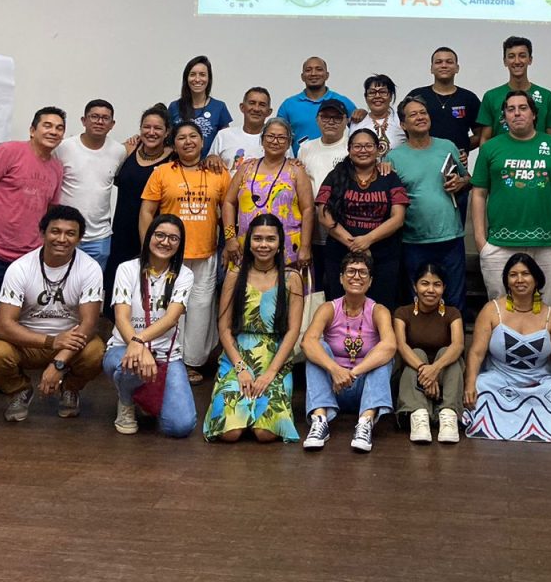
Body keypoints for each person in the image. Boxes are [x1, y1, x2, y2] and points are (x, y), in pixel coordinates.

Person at [0, 205, 105, 422]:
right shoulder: (20, 268)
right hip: (28, 343)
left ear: (79, 239)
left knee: (96, 352)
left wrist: (59, 362)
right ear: (42, 233)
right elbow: (3, 326)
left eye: (70, 233)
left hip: (71, 344)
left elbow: (90, 323)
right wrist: (51, 341)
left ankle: (70, 388)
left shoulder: (90, 268)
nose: (62, 239)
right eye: (55, 231)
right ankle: (19, 390)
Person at [462, 254, 551, 442]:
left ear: (536, 279)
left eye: (525, 274)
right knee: (480, 386)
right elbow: (476, 353)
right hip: (499, 382)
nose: (519, 279)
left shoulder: (550, 315)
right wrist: (469, 383)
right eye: (513, 275)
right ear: (506, 281)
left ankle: (538, 427)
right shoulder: (492, 310)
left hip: (539, 383)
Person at [139, 121, 230, 383]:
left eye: (193, 136)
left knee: (201, 309)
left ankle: (192, 362)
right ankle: (170, 358)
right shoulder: (162, 172)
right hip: (169, 254)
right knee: (171, 308)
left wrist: (230, 241)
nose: (188, 141)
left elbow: (228, 210)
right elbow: (147, 212)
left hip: (205, 253)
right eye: (181, 138)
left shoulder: (218, 172)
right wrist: (148, 249)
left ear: (202, 142)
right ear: (174, 144)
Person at [204, 214, 304, 443]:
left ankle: (254, 413)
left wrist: (270, 373)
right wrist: (240, 368)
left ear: (280, 243)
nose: (263, 245)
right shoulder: (235, 275)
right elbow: (224, 327)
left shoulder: (292, 278)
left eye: (270, 239)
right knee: (230, 433)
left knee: (265, 433)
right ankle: (243, 412)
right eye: (257, 239)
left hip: (275, 357)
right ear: (248, 242)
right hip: (237, 354)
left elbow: (293, 331)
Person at [471, 90, 551, 309]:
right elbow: (479, 193)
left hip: (547, 245)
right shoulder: (490, 148)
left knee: (543, 309)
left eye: (523, 108)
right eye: (511, 109)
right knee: (500, 310)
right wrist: (481, 240)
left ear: (534, 114)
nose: (517, 113)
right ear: (505, 116)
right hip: (499, 244)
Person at [103, 214, 196, 437]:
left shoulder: (185, 274)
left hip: (166, 355)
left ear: (180, 243)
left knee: (180, 426)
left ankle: (145, 396)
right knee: (131, 364)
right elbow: (121, 317)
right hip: (124, 348)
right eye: (160, 235)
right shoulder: (127, 268)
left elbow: (171, 318)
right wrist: (137, 344)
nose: (165, 242)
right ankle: (126, 401)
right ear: (149, 237)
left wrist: (140, 340)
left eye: (173, 238)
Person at [0, 106, 66, 305]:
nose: (53, 131)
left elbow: (51, 210)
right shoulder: (9, 151)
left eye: (59, 128)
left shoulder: (57, 168)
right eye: (47, 125)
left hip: (27, 257)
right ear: (32, 130)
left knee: (14, 309)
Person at [301, 252, 397, 453]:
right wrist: (335, 369)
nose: (356, 276)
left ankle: (365, 422)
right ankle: (320, 420)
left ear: (370, 281)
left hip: (364, 388)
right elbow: (307, 342)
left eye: (363, 272)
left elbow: (390, 346)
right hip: (333, 388)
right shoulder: (329, 308)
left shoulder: (379, 310)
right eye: (351, 271)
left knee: (383, 356)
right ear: (341, 278)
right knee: (317, 349)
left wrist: (352, 373)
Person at [388, 96, 468, 311]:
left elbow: (467, 179)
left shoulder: (447, 146)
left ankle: (455, 334)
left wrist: (460, 182)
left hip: (451, 236)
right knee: (416, 299)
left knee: (454, 298)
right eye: (413, 114)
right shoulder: (393, 158)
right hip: (413, 240)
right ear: (403, 125)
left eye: (423, 113)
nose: (420, 117)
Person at [317, 128, 409, 312]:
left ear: (378, 149)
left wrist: (368, 240)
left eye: (368, 146)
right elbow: (323, 215)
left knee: (380, 308)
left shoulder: (390, 177)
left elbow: (398, 218)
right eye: (357, 146)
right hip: (340, 254)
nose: (363, 150)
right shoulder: (336, 175)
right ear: (349, 150)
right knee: (341, 307)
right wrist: (354, 244)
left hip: (383, 256)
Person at [223, 118, 314, 271]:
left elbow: (308, 210)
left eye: (281, 137)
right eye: (270, 136)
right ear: (262, 139)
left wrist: (305, 247)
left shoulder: (296, 171)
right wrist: (230, 237)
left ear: (289, 143)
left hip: (288, 249)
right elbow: (229, 203)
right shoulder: (246, 168)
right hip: (246, 247)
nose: (275, 141)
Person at [107, 103, 173, 311]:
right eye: (147, 127)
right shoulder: (128, 150)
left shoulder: (174, 158)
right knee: (116, 288)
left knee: (148, 291)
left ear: (167, 132)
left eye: (158, 128)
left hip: (154, 233)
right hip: (122, 231)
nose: (151, 132)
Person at [393, 263, 464, 443]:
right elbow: (401, 345)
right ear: (415, 286)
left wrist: (435, 369)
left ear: (444, 288)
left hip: (444, 375)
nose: (430, 290)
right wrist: (424, 370)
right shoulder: (403, 312)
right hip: (413, 376)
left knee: (448, 352)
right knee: (416, 352)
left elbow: (458, 345)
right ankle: (418, 414)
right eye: (425, 283)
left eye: (437, 284)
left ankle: (448, 414)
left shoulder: (453, 313)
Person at [55, 99, 127, 266]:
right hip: (65, 232)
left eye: (105, 118)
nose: (99, 121)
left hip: (99, 237)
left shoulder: (119, 151)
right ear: (83, 120)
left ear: (112, 124)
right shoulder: (64, 148)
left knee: (94, 280)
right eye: (94, 116)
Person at [296, 98, 349, 286]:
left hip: (343, 229)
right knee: (314, 285)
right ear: (317, 119)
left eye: (337, 117)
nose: (331, 122)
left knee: (339, 282)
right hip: (313, 230)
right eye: (326, 117)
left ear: (346, 120)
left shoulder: (352, 147)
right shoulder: (306, 148)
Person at [476, 36, 551, 143]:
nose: (517, 61)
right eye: (511, 56)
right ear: (505, 61)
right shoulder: (491, 97)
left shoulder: (547, 97)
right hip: (502, 153)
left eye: (522, 56)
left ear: (530, 60)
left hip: (536, 153)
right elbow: (485, 139)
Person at [407, 45, 481, 162]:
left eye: (449, 62)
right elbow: (404, 128)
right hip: (421, 161)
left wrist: (462, 149)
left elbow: (480, 134)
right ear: (431, 68)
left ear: (457, 68)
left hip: (456, 163)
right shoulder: (417, 96)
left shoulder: (469, 98)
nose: (444, 65)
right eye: (438, 62)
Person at [276, 56, 361, 154]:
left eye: (319, 69)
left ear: (327, 75)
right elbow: (277, 135)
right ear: (302, 76)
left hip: (338, 160)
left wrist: (362, 114)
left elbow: (360, 131)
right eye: (308, 70)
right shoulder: (289, 105)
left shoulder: (342, 102)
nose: (313, 73)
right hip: (299, 161)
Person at [171, 55, 232, 152]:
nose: (197, 79)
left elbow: (225, 141)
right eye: (192, 74)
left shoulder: (219, 107)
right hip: (179, 161)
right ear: (186, 78)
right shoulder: (174, 107)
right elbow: (167, 139)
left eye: (202, 74)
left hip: (209, 161)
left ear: (209, 78)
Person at [207, 86, 272, 173]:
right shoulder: (224, 135)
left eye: (262, 105)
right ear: (242, 107)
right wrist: (210, 158)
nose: (256, 109)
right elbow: (210, 163)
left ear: (269, 112)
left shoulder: (276, 140)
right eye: (252, 103)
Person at [349, 73, 406, 157]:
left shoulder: (401, 120)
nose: (377, 96)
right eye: (372, 92)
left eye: (383, 92)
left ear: (390, 96)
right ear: (366, 97)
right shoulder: (357, 122)